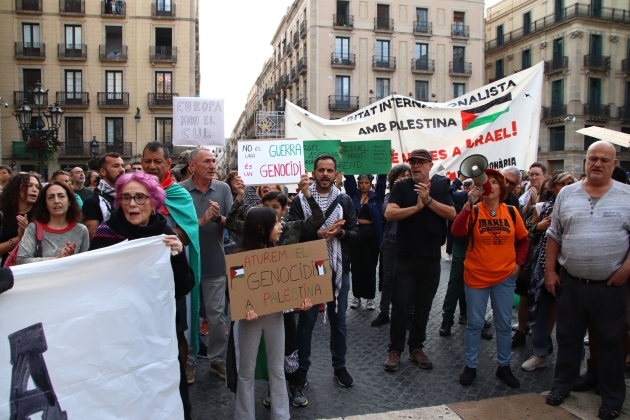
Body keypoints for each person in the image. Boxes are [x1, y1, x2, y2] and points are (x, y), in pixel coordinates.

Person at [89, 171, 195, 420]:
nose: (132, 204)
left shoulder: (164, 234)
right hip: (119, 335)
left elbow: (184, 286)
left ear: (153, 200)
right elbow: (93, 284)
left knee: (166, 393)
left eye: (139, 197)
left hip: (158, 333)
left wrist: (178, 255)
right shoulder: (105, 235)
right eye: (126, 198)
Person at [544, 141, 630, 420]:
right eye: (593, 158)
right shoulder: (567, 194)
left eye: (605, 160)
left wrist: (626, 268)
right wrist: (549, 271)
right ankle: (562, 385)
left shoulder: (627, 195)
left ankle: (612, 397)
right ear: (585, 160)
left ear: (614, 164)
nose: (598, 164)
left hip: (609, 286)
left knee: (609, 342)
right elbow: (554, 234)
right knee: (567, 339)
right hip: (571, 283)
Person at [231, 207, 312, 420]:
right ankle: (244, 416)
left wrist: (300, 302)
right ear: (261, 227)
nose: (281, 226)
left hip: (276, 317)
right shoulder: (239, 257)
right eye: (276, 223)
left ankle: (281, 415)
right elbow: (234, 293)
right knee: (246, 371)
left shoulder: (280, 255)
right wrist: (243, 309)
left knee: (277, 369)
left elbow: (287, 289)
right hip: (249, 321)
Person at [452, 168, 529, 388]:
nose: (490, 185)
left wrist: (519, 264)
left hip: (504, 277)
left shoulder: (512, 212)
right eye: (486, 182)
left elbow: (523, 241)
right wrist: (468, 205)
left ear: (502, 188)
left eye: (495, 182)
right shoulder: (474, 211)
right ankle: (471, 366)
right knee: (475, 323)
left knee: (504, 324)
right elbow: (457, 232)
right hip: (476, 276)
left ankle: (504, 366)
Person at [288, 153, 359, 389]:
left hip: (339, 268)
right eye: (321, 170)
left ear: (336, 173)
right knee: (306, 321)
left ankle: (340, 366)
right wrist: (317, 234)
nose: (325, 174)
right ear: (314, 172)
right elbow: (293, 234)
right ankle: (302, 369)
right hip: (310, 269)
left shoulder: (345, 200)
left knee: (339, 321)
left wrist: (339, 233)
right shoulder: (299, 201)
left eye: (330, 170)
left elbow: (356, 234)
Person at [383, 149, 456, 372]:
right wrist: (416, 207)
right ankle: (394, 350)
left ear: (430, 165)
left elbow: (452, 213)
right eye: (413, 163)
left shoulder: (442, 186)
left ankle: (416, 348)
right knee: (401, 306)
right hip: (405, 256)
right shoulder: (402, 186)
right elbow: (389, 213)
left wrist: (429, 200)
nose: (416, 166)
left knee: (423, 305)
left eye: (421, 163)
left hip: (431, 256)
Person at [142, 141, 201, 386]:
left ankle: (178, 382)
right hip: (141, 278)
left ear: (168, 164)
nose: (152, 166)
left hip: (171, 275)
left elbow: (187, 234)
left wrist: (157, 234)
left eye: (158, 161)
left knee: (177, 330)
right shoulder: (133, 193)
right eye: (147, 161)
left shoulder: (178, 194)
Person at [180, 148, 233, 380]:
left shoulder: (223, 189)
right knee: (190, 318)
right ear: (192, 166)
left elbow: (233, 224)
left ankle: (217, 360)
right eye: (207, 161)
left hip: (214, 263)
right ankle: (189, 361)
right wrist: (201, 221)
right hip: (186, 265)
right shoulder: (179, 192)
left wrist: (219, 218)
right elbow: (174, 228)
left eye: (214, 161)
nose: (213, 165)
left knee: (217, 316)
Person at [521, 171, 573, 372]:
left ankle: (570, 359)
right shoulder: (541, 208)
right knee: (540, 309)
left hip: (569, 267)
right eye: (561, 184)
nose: (566, 187)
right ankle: (540, 352)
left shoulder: (580, 208)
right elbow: (526, 234)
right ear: (552, 187)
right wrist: (539, 226)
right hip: (541, 268)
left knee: (567, 313)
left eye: (570, 183)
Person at [513, 162, 548, 349]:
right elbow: (521, 223)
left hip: (543, 254)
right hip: (528, 254)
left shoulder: (551, 196)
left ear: (545, 176)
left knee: (545, 299)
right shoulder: (526, 194)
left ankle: (544, 337)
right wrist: (529, 204)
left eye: (537, 174)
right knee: (524, 295)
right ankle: (522, 330)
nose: (533, 177)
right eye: (531, 174)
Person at [372, 164, 411, 327]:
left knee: (407, 280)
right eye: (400, 177)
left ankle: (407, 314)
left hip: (408, 242)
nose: (404, 179)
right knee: (388, 279)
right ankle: (384, 312)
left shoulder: (414, 195)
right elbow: (387, 214)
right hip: (390, 242)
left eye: (407, 176)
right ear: (393, 180)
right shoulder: (389, 197)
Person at [17, 181, 89, 264]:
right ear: (45, 204)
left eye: (61, 196)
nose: (56, 201)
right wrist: (56, 258)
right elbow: (21, 260)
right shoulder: (34, 228)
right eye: (51, 197)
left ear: (69, 202)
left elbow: (85, 264)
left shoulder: (81, 230)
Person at [345, 173, 386, 311]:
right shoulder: (353, 195)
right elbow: (348, 178)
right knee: (356, 268)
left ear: (370, 183)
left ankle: (370, 298)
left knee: (370, 268)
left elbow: (382, 180)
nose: (363, 185)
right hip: (355, 236)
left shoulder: (377, 196)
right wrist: (344, 160)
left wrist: (384, 161)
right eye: (361, 183)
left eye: (366, 183)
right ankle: (356, 297)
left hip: (372, 237)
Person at [0, 173, 41, 266]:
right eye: (29, 186)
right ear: (16, 189)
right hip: (9, 271)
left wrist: (28, 235)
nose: (35, 189)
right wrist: (17, 239)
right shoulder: (3, 214)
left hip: (34, 269)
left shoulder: (42, 215)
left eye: (37, 187)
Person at [83, 153, 125, 239]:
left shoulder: (129, 197)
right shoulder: (92, 202)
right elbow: (94, 238)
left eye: (122, 166)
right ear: (103, 172)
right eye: (116, 166)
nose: (122, 170)